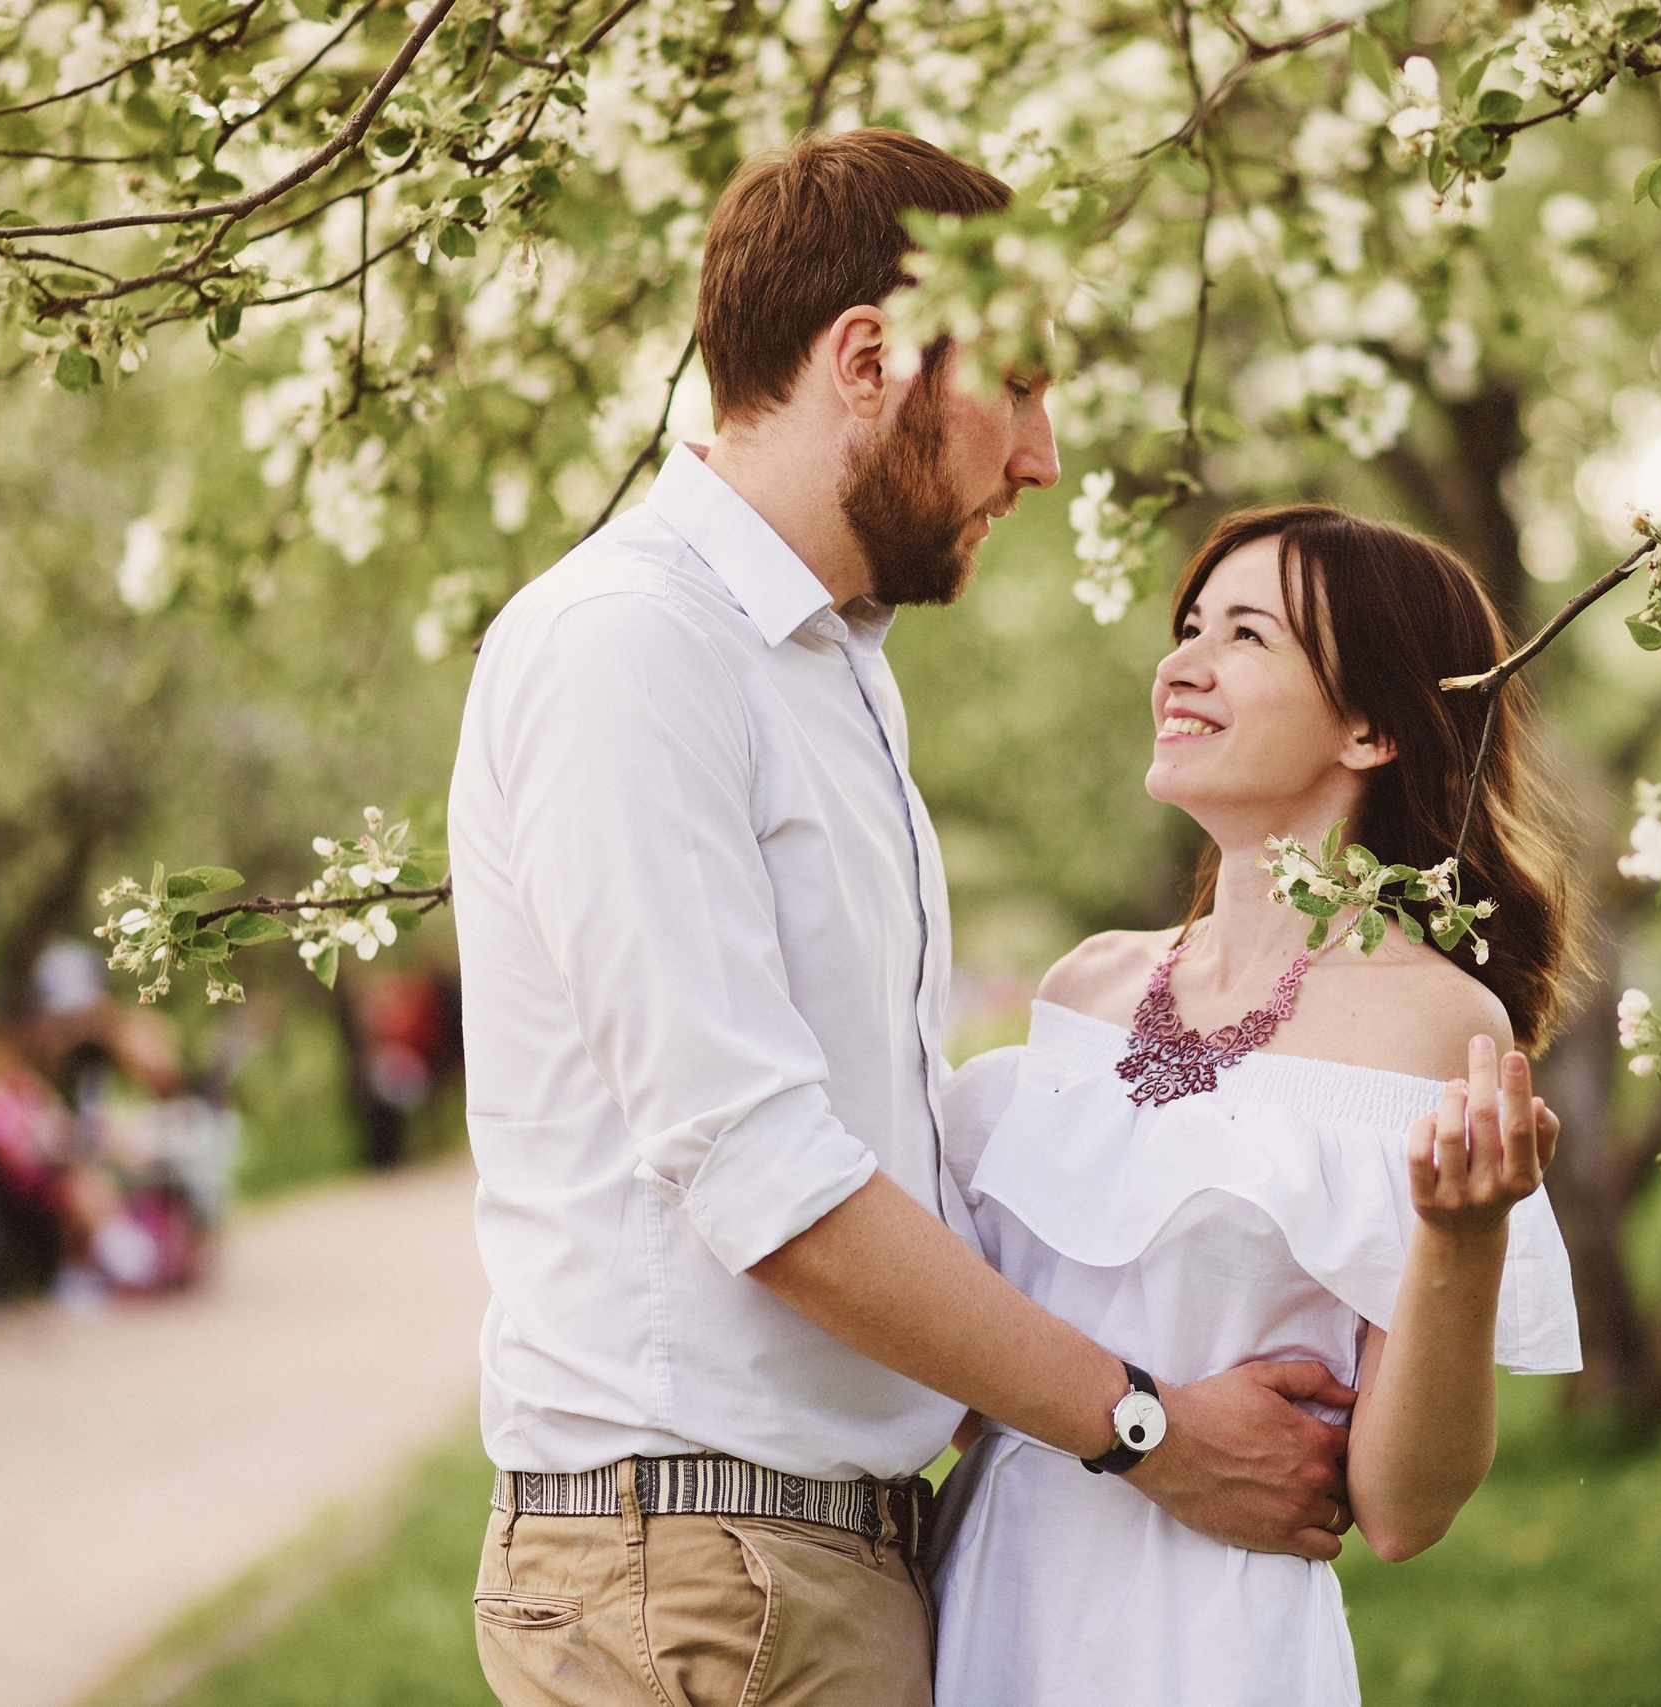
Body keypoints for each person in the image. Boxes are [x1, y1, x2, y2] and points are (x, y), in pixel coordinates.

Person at [449, 131, 1395, 1707]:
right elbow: (764, 1175)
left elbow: (875, 1146)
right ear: (870, 359)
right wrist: (1140, 1421)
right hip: (699, 1572)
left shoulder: (832, 669)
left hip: (822, 1558)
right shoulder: (629, 647)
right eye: (1016, 386)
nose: (1040, 455)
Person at [926, 507, 1585, 1706]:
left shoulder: (1434, 1026)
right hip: (980, 1597)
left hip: (1203, 1640)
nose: (1180, 664)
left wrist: (1463, 1236)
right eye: (1187, 627)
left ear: (1372, 724)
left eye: (1244, 634)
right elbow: (973, 1392)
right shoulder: (1085, 987)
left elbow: (1402, 1509)